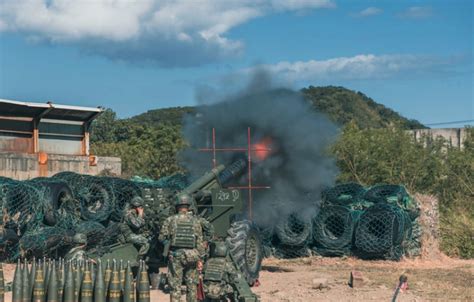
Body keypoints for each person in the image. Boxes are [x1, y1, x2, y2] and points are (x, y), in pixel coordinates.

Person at [159, 193, 206, 302]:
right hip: (192, 256)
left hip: (176, 256)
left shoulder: (170, 220)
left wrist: (168, 243)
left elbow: (161, 237)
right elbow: (199, 242)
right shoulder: (196, 221)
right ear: (188, 205)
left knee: (175, 286)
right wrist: (200, 260)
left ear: (177, 205)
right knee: (192, 286)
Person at [120, 196, 150, 260]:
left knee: (149, 236)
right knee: (146, 243)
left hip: (134, 234)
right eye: (140, 206)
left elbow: (143, 223)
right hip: (129, 236)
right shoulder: (129, 214)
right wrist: (140, 214)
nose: (141, 208)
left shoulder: (135, 214)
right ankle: (139, 260)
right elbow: (137, 225)